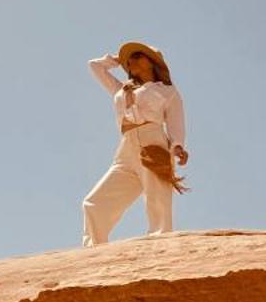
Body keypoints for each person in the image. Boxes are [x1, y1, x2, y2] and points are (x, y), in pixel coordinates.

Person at [80, 41, 190, 245]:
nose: (131, 61)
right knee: (93, 203)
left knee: (157, 200)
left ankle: (160, 245)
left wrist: (177, 146)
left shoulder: (167, 91)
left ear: (152, 62)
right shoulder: (122, 89)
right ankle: (94, 249)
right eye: (129, 60)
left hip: (153, 142)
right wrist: (117, 60)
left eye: (137, 56)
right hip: (126, 148)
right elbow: (94, 66)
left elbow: (175, 121)